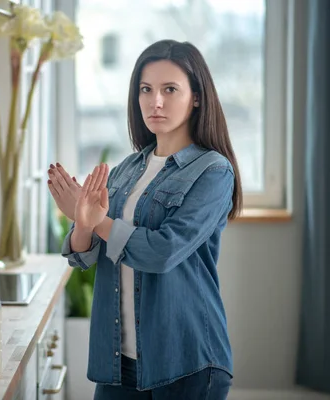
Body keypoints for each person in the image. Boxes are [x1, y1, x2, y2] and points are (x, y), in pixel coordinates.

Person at [47, 39, 242, 399]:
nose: (156, 101)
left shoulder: (214, 172)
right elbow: (84, 257)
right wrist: (83, 222)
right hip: (117, 361)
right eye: (146, 89)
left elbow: (162, 252)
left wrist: (99, 221)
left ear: (196, 97)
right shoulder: (126, 169)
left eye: (170, 89)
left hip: (186, 359)